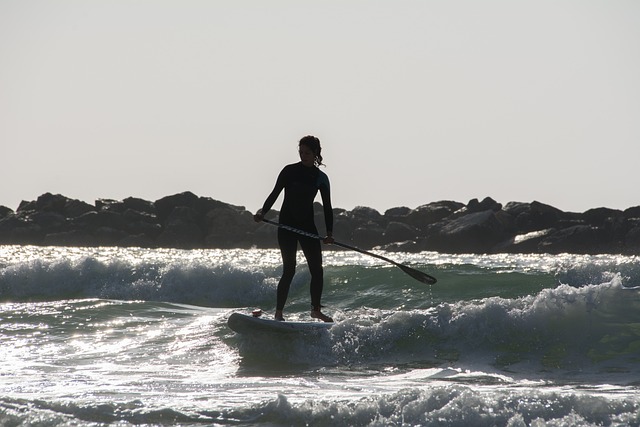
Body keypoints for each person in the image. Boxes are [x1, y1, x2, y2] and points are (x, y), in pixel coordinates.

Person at [254, 135, 334, 322]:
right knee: (289, 270)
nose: (303, 156)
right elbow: (275, 193)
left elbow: (328, 207)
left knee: (317, 270)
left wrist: (329, 233)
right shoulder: (289, 171)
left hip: (307, 226)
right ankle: (279, 313)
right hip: (287, 226)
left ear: (315, 154)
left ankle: (315, 310)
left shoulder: (321, 178)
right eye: (301, 152)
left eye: (307, 153)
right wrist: (262, 212)